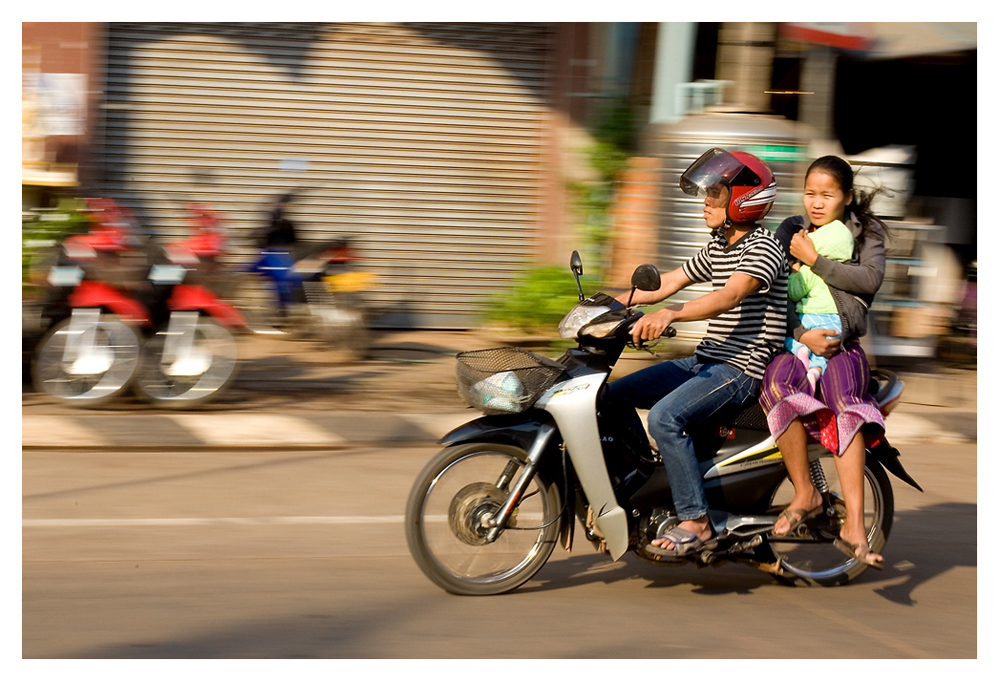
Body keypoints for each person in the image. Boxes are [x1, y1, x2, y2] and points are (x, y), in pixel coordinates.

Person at [607, 148, 788, 557]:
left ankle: (697, 521)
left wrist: (670, 314)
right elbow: (668, 281)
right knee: (613, 396)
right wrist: (605, 310)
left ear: (742, 201)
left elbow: (730, 295)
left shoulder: (764, 247)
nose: (706, 201)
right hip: (707, 359)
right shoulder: (720, 245)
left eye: (717, 194)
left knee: (665, 417)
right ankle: (650, 480)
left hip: (741, 367)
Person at [760, 155, 888, 569]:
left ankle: (854, 523)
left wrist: (816, 261)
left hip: (840, 342)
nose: (816, 203)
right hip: (798, 342)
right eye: (810, 193)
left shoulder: (865, 233)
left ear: (846, 197)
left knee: (845, 402)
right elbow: (777, 289)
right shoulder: (790, 230)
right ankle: (804, 492)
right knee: (777, 387)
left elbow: (869, 280)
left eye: (827, 194)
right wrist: (800, 334)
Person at [785, 217, 854, 393]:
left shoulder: (811, 269)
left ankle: (799, 348)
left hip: (812, 317)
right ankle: (815, 371)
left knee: (782, 339)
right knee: (823, 355)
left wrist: (794, 272)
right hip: (836, 324)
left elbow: (793, 292)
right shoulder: (844, 269)